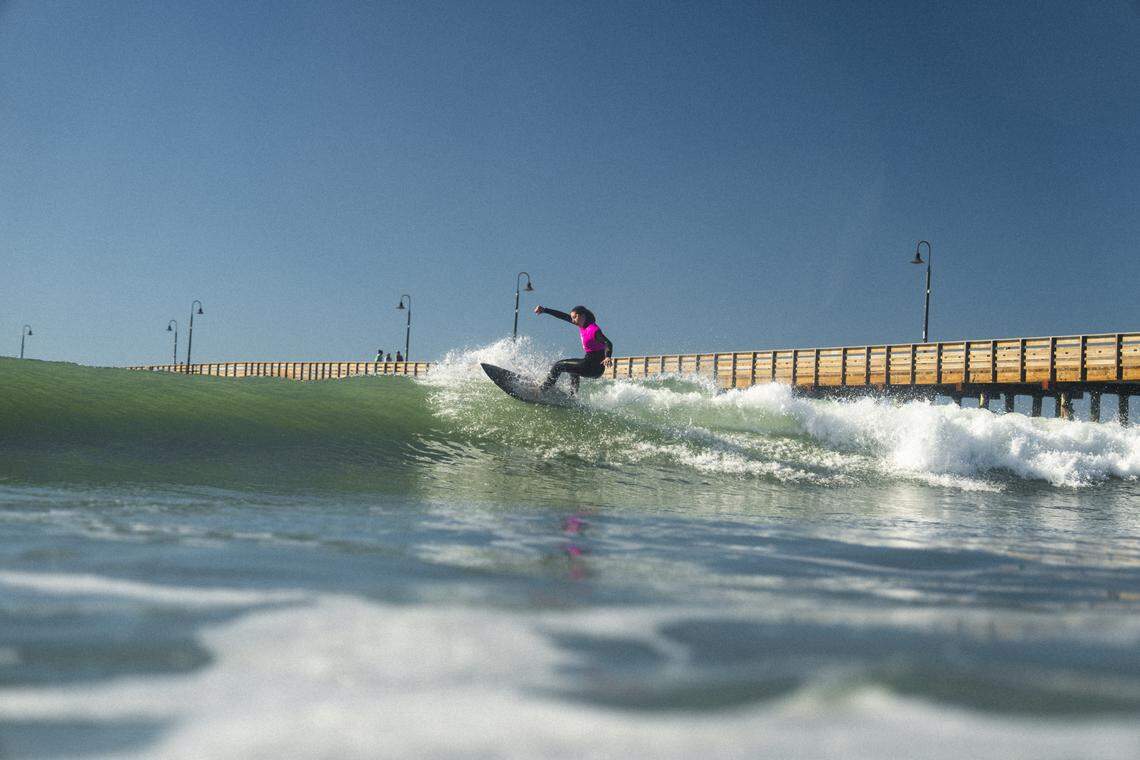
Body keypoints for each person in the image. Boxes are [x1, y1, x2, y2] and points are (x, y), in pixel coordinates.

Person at [533, 304, 613, 394]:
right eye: (572, 317)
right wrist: (544, 310)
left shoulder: (593, 329)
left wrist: (608, 357)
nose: (573, 320)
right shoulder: (582, 325)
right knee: (573, 370)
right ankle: (573, 396)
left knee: (558, 366)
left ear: (582, 316)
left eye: (574, 317)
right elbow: (563, 316)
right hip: (593, 367)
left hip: (593, 367)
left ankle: (541, 391)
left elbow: (607, 343)